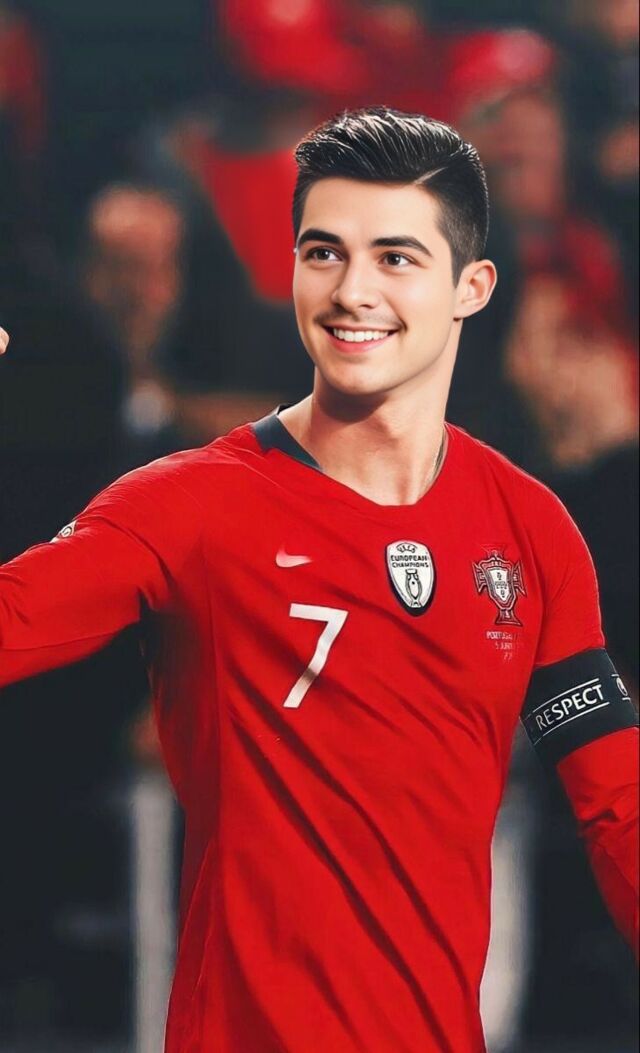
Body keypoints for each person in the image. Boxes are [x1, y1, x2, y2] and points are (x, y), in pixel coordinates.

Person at [0, 108, 637, 1053]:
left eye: (395, 257)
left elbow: (617, 802)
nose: (351, 291)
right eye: (324, 252)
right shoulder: (190, 505)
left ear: (470, 287)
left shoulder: (531, 530)